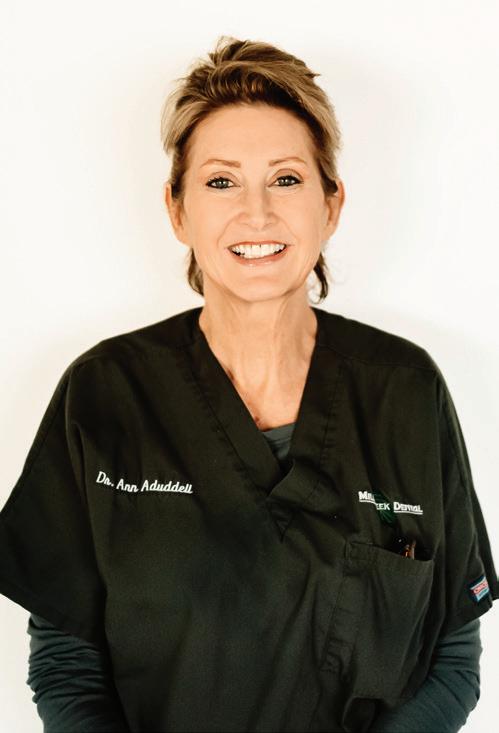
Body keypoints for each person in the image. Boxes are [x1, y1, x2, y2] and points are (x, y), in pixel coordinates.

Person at [0, 35, 497, 733]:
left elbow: (450, 657)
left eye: (286, 179)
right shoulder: (104, 394)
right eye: (221, 181)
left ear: (331, 204)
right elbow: (66, 661)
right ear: (177, 209)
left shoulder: (405, 392)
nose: (256, 213)